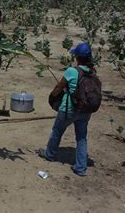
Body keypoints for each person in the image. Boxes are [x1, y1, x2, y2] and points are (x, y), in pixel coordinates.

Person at [39, 43, 95, 176]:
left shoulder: (72, 71)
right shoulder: (93, 72)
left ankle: (49, 154)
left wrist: (52, 97)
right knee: (81, 138)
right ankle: (81, 168)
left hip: (69, 109)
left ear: (77, 57)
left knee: (57, 131)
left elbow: (59, 87)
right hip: (85, 110)